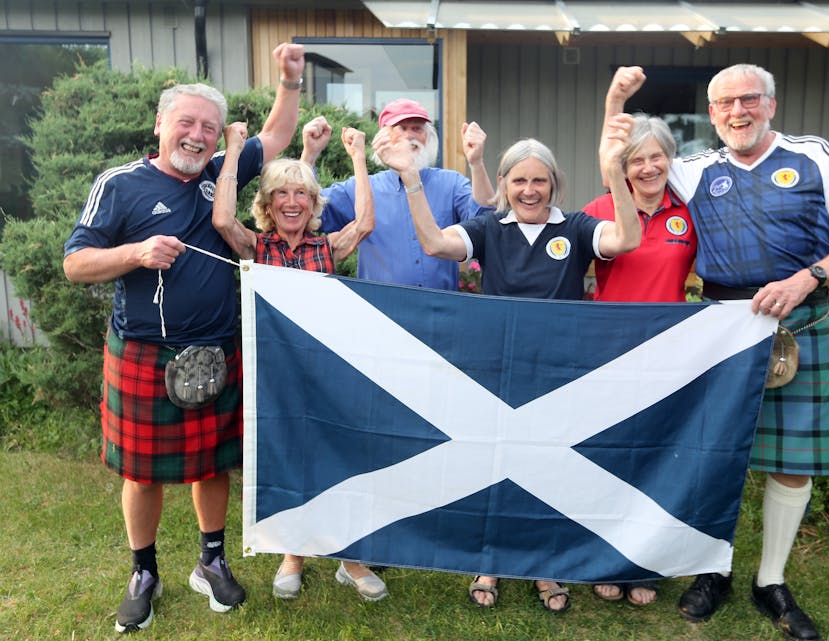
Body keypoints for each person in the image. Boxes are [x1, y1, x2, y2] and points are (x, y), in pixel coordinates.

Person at [604, 64, 829, 641]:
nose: (737, 111)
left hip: (802, 323)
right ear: (712, 113)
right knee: (714, 453)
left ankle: (770, 581)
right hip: (725, 327)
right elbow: (624, 156)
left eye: (748, 99)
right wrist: (617, 99)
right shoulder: (695, 169)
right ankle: (713, 570)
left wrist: (807, 280)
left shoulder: (813, 155)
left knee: (792, 462)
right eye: (724, 103)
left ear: (770, 104)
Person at [62, 43, 306, 633]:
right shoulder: (121, 184)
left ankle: (211, 559)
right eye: (186, 123)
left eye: (210, 128)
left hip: (219, 348)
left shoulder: (223, 172)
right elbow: (74, 263)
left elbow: (273, 138)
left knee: (210, 466)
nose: (197, 136)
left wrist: (290, 82)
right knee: (141, 473)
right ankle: (144, 570)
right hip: (145, 352)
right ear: (161, 125)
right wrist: (134, 253)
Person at [378, 116, 642, 611]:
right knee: (496, 465)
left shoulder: (578, 227)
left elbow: (626, 240)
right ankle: (491, 562)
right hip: (496, 371)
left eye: (539, 179)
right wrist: (412, 179)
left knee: (550, 468)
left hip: (559, 374)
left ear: (554, 184)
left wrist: (616, 171)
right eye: (518, 179)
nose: (529, 189)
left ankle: (546, 564)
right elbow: (436, 244)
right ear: (503, 185)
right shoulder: (487, 229)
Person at [212, 116, 385, 601]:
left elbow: (366, 223)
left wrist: (356, 154)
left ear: (313, 204)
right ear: (267, 204)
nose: (292, 203)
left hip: (328, 375)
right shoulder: (255, 246)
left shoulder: (325, 247)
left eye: (302, 195)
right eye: (281, 195)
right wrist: (233, 147)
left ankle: (348, 559)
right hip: (274, 379)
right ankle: (293, 553)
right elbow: (222, 220)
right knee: (286, 461)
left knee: (339, 460)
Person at [583, 113, 697, 606]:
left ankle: (643, 562)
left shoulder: (691, 213)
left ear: (669, 159)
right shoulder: (598, 208)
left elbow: (724, 273)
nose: (649, 167)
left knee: (653, 460)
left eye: (657, 156)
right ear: (621, 166)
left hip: (668, 358)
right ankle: (604, 557)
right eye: (637, 159)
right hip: (607, 354)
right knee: (609, 458)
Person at [311, 98, 493, 290]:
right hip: (380, 311)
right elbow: (310, 211)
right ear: (383, 138)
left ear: (428, 137)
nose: (409, 136)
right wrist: (310, 155)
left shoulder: (451, 183)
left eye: (417, 129)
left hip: (440, 311)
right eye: (401, 128)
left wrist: (476, 163)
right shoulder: (362, 187)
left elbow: (485, 220)